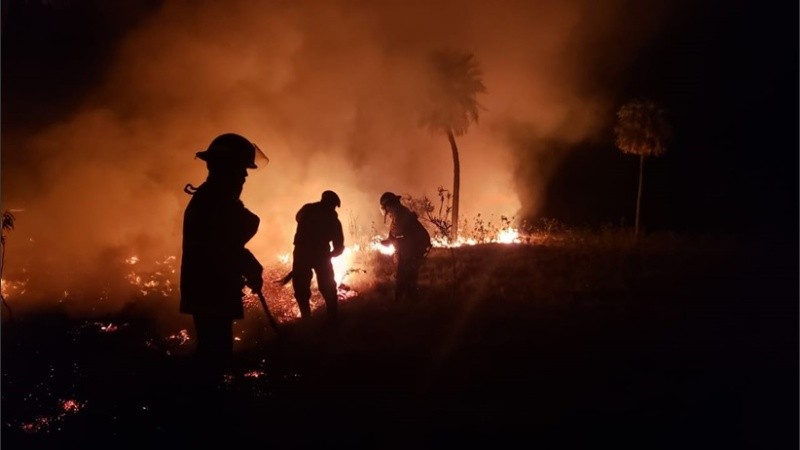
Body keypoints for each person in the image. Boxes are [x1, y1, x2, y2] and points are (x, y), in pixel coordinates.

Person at [180, 132, 267, 381]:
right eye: (241, 169)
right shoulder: (213, 203)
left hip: (211, 289)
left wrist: (247, 263)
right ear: (225, 169)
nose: (244, 176)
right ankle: (211, 409)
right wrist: (248, 264)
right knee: (215, 358)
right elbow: (226, 241)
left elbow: (229, 241)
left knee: (215, 352)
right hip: (211, 290)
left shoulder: (215, 200)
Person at [281, 190, 344, 321]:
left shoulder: (307, 209)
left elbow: (297, 218)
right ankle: (333, 317)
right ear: (331, 204)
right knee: (327, 286)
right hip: (320, 254)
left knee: (301, 287)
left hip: (302, 252)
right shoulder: (333, 220)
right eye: (333, 205)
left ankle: (306, 319)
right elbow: (338, 247)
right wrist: (330, 255)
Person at [379, 192, 432, 303]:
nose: (386, 211)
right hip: (407, 249)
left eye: (386, 207)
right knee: (403, 276)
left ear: (389, 205)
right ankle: (403, 302)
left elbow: (401, 233)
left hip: (413, 249)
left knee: (407, 277)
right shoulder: (397, 215)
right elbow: (395, 235)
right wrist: (389, 241)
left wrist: (392, 241)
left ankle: (406, 304)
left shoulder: (402, 215)